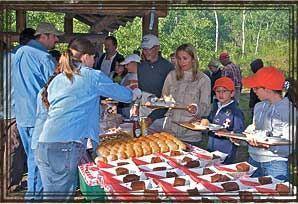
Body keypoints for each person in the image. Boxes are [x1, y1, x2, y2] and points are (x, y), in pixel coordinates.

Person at [32, 38, 132, 200]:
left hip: (43, 146)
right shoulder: (91, 76)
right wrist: (136, 93)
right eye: (93, 58)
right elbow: (125, 96)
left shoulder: (58, 79)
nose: (94, 62)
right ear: (85, 57)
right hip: (65, 147)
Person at [12, 22, 63, 199]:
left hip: (21, 115)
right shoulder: (44, 57)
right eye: (54, 36)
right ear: (44, 36)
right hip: (38, 117)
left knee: (32, 159)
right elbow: (55, 88)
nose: (56, 40)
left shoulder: (18, 52)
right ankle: (34, 199)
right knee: (39, 163)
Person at [242, 66, 295, 181]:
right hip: (253, 161)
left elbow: (289, 145)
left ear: (268, 89)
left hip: (275, 165)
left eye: (256, 88)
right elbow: (255, 128)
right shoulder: (259, 106)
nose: (253, 91)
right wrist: (243, 136)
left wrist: (267, 144)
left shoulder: (289, 111)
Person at [2, 28, 36, 193]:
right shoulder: (21, 59)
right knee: (13, 149)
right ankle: (11, 184)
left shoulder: (8, 57)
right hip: (15, 111)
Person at [162, 43, 211, 146]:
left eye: (185, 58)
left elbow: (206, 107)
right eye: (179, 58)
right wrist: (165, 101)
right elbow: (164, 97)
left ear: (193, 59)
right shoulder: (171, 76)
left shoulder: (203, 79)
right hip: (170, 131)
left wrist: (196, 109)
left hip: (191, 134)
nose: (181, 62)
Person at [137, 34, 174, 130]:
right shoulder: (141, 67)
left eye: (149, 49)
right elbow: (140, 92)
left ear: (157, 48)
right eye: (144, 49)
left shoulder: (168, 68)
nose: (146, 52)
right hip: (143, 112)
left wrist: (152, 117)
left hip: (161, 116)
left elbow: (170, 97)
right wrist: (136, 106)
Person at [208, 77, 245, 164]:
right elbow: (209, 123)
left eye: (224, 91)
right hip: (211, 147)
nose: (221, 94)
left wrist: (228, 133)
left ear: (232, 93)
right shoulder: (215, 107)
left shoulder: (236, 112)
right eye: (218, 91)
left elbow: (239, 134)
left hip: (226, 152)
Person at [119, 54, 142, 118]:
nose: (125, 67)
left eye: (127, 64)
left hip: (140, 111)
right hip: (127, 109)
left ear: (134, 63)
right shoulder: (127, 76)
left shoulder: (144, 76)